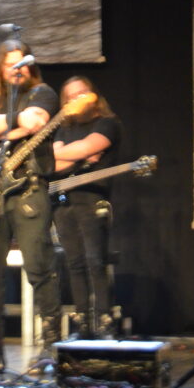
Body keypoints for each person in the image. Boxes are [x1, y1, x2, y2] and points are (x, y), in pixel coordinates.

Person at [0, 40, 61, 372]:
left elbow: (36, 122)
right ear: (0, 67)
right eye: (10, 64)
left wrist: (2, 129)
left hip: (29, 191)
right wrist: (15, 123)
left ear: (29, 65)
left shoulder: (43, 93)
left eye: (21, 64)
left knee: (39, 267)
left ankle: (50, 347)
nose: (16, 70)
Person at [52, 76, 122, 339]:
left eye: (81, 93)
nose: (76, 100)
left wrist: (74, 152)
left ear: (93, 95)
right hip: (63, 201)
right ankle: (82, 323)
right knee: (74, 263)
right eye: (70, 97)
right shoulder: (63, 129)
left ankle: (105, 322)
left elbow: (87, 147)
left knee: (95, 261)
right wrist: (79, 155)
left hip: (92, 199)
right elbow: (54, 163)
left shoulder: (108, 123)